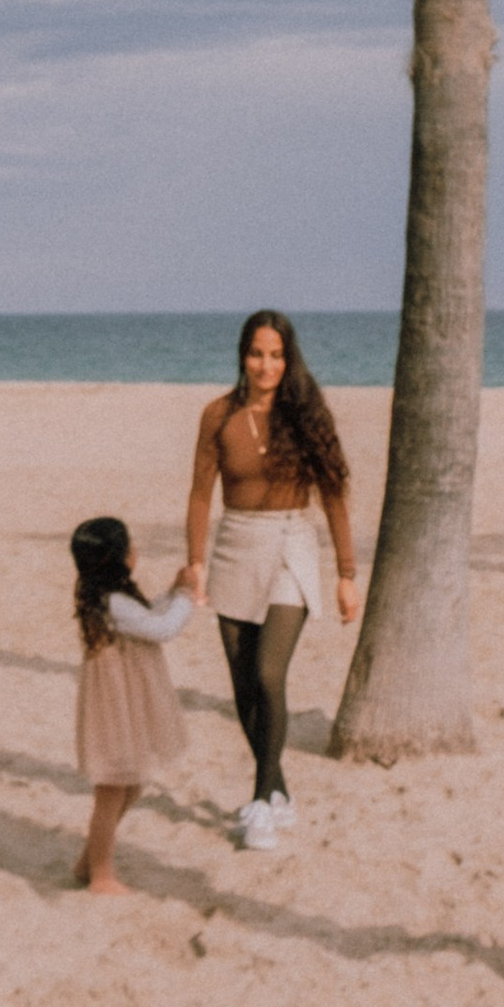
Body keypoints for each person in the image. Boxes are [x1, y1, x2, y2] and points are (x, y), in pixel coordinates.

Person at [179, 308, 358, 852]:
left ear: (289, 358)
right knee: (242, 688)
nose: (266, 365)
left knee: (268, 671)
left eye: (276, 355)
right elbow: (199, 494)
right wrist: (196, 560)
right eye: (257, 353)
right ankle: (278, 792)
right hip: (235, 545)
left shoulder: (307, 414)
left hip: (290, 545)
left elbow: (333, 495)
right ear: (243, 355)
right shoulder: (217, 415)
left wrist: (347, 574)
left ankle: (260, 804)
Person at [68, 516, 200, 895]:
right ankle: (101, 875)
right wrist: (188, 596)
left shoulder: (112, 600)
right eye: (130, 546)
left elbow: (146, 616)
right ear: (118, 558)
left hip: (126, 703)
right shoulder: (113, 603)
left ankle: (88, 862)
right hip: (115, 710)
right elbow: (162, 628)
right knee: (111, 793)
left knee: (131, 786)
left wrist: (173, 592)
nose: (135, 551)